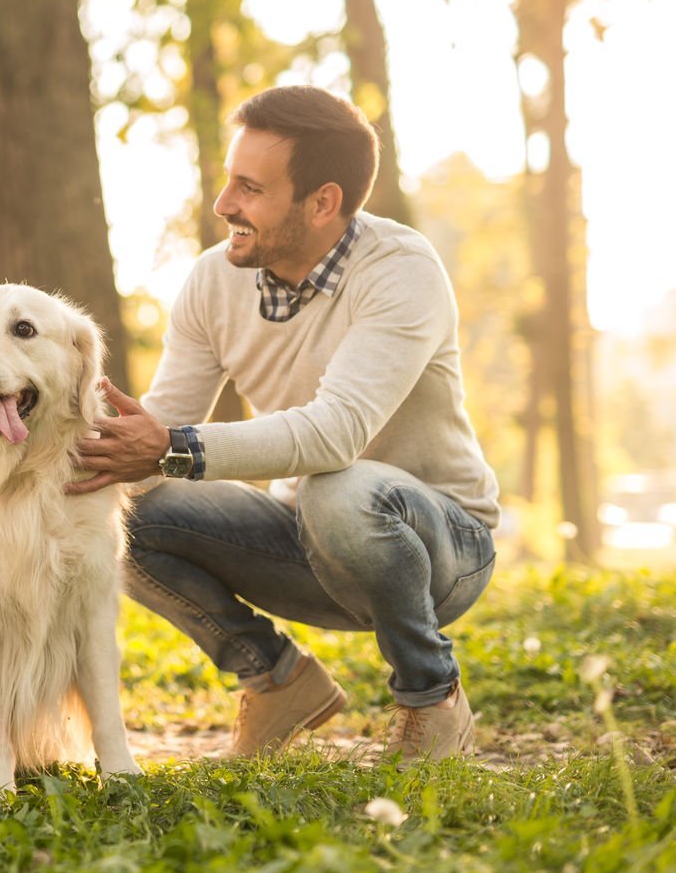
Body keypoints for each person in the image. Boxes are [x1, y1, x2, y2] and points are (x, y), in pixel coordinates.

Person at [70, 85, 499, 762]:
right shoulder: (213, 280)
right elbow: (162, 427)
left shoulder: (400, 269)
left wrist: (173, 446)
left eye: (249, 188)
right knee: (123, 503)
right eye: (227, 181)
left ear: (322, 202)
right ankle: (274, 678)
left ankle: (431, 695)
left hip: (441, 546)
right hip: (305, 538)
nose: (223, 205)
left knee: (339, 485)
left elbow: (333, 436)